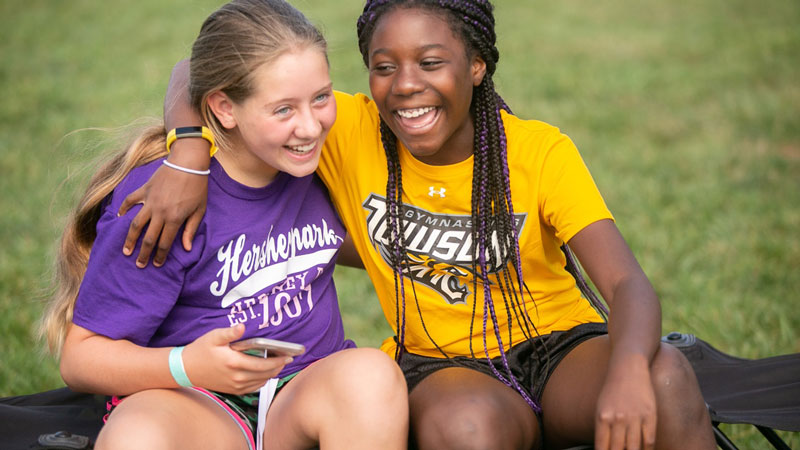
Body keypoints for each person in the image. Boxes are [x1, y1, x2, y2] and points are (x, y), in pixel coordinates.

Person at [120, 1, 716, 449]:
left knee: (666, 380)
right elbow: (192, 68)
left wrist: (631, 371)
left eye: (431, 63)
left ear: (477, 65)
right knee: (466, 427)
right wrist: (189, 149)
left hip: (559, 350)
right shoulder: (343, 130)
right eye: (385, 67)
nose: (406, 85)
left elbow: (628, 285)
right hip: (442, 364)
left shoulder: (537, 152)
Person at [38, 1, 409, 449]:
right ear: (224, 108)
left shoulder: (321, 164)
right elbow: (81, 359)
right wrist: (187, 366)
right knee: (137, 435)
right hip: (197, 400)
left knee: (371, 375)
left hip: (305, 390)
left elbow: (370, 244)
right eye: (283, 110)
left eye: (321, 98)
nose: (311, 127)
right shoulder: (167, 203)